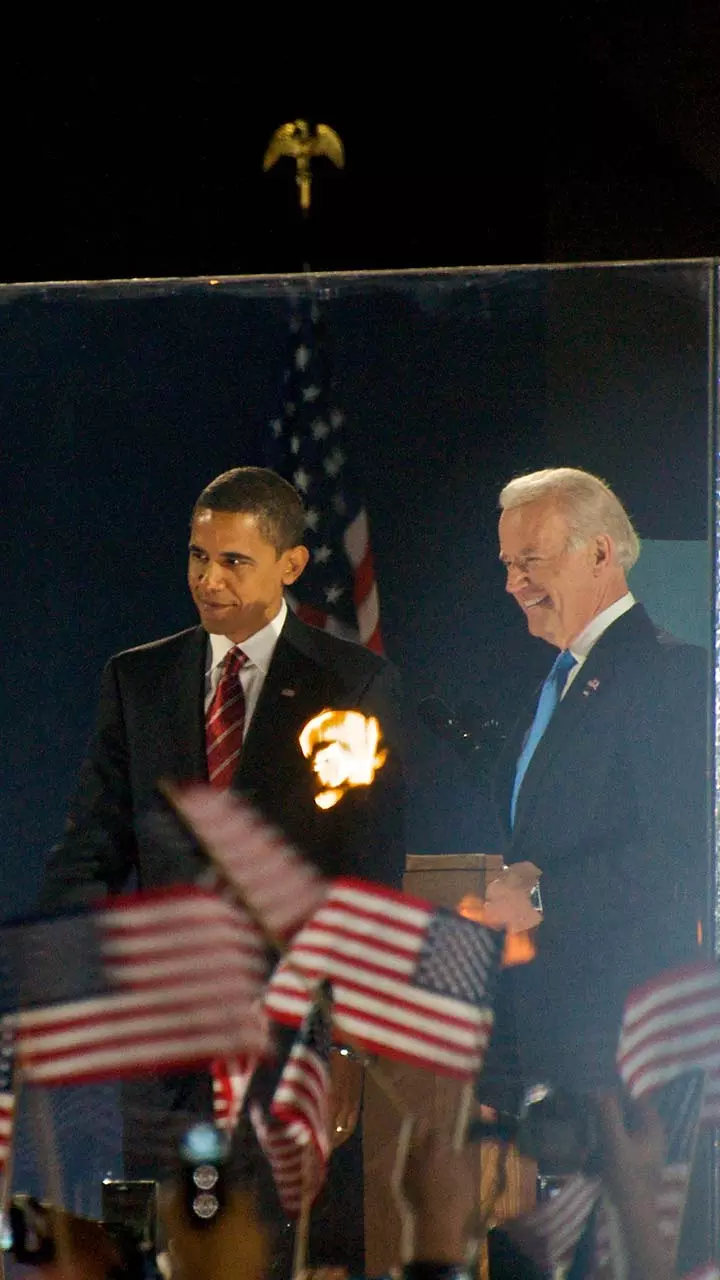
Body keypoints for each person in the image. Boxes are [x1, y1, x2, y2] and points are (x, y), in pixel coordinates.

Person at [39, 466, 405, 1268]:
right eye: (198, 557)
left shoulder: (352, 683)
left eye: (234, 561)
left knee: (264, 1252)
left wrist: (346, 1043)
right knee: (161, 1250)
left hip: (288, 1042)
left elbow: (367, 876)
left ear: (291, 564)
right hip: (162, 1042)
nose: (210, 580)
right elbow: (94, 844)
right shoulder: (138, 680)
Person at [491, 466, 709, 1097]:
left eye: (531, 560)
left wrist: (542, 896)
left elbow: (683, 853)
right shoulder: (563, 680)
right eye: (508, 564)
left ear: (599, 553)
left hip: (624, 1046)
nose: (513, 583)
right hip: (552, 1035)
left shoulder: (669, 676)